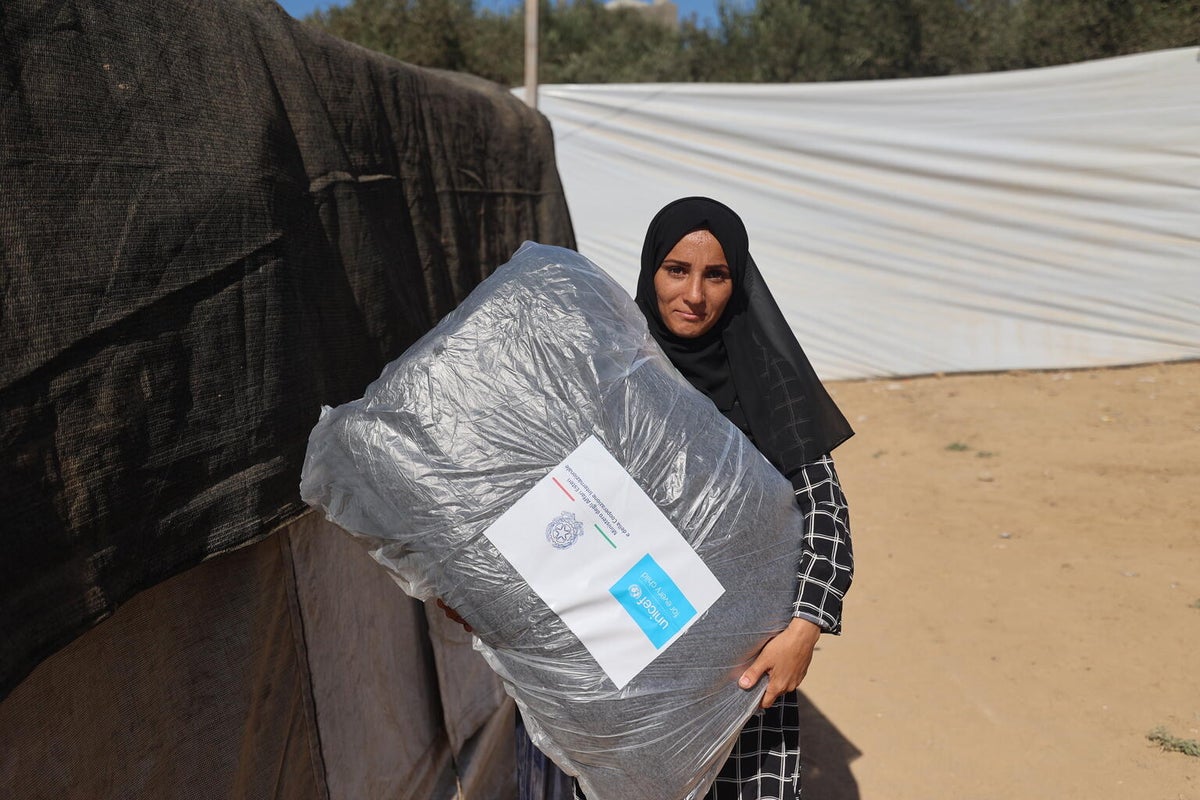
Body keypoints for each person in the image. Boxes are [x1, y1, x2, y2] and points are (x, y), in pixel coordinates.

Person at [511, 196, 855, 800]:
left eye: (715, 275)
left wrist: (805, 626)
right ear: (650, 271)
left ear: (737, 282)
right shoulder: (611, 371)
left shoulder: (769, 385)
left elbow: (825, 511)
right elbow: (542, 498)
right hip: (618, 667)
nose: (694, 294)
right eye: (677, 270)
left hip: (736, 679)